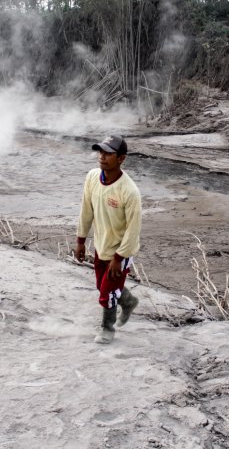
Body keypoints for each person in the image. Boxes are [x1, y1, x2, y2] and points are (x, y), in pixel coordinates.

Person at [75, 135, 142, 344]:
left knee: (107, 291)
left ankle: (107, 328)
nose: (102, 157)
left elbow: (133, 230)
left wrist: (119, 257)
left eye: (108, 153)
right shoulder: (92, 177)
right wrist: (80, 241)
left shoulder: (129, 191)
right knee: (102, 286)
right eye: (100, 152)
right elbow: (86, 210)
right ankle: (129, 301)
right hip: (100, 245)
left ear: (121, 158)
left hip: (120, 251)